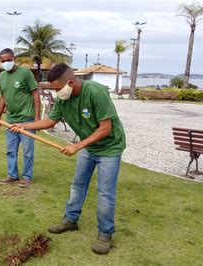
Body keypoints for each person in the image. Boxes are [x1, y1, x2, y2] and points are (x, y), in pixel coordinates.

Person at [10, 63, 126, 254]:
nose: (56, 94)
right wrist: (25, 125)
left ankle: (105, 234)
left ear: (71, 83)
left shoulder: (96, 92)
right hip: (89, 148)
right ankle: (71, 220)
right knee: (77, 185)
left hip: (110, 149)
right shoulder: (64, 99)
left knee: (105, 192)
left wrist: (77, 146)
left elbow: (106, 128)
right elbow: (49, 121)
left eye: (57, 89)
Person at [0, 48, 40, 188]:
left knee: (27, 150)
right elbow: (3, 97)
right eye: (3, 61)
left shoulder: (25, 73)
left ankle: (26, 176)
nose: (6, 63)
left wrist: (37, 118)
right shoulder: (1, 76)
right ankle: (12, 175)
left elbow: (35, 94)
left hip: (27, 119)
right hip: (10, 120)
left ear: (13, 58)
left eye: (8, 60)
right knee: (11, 150)